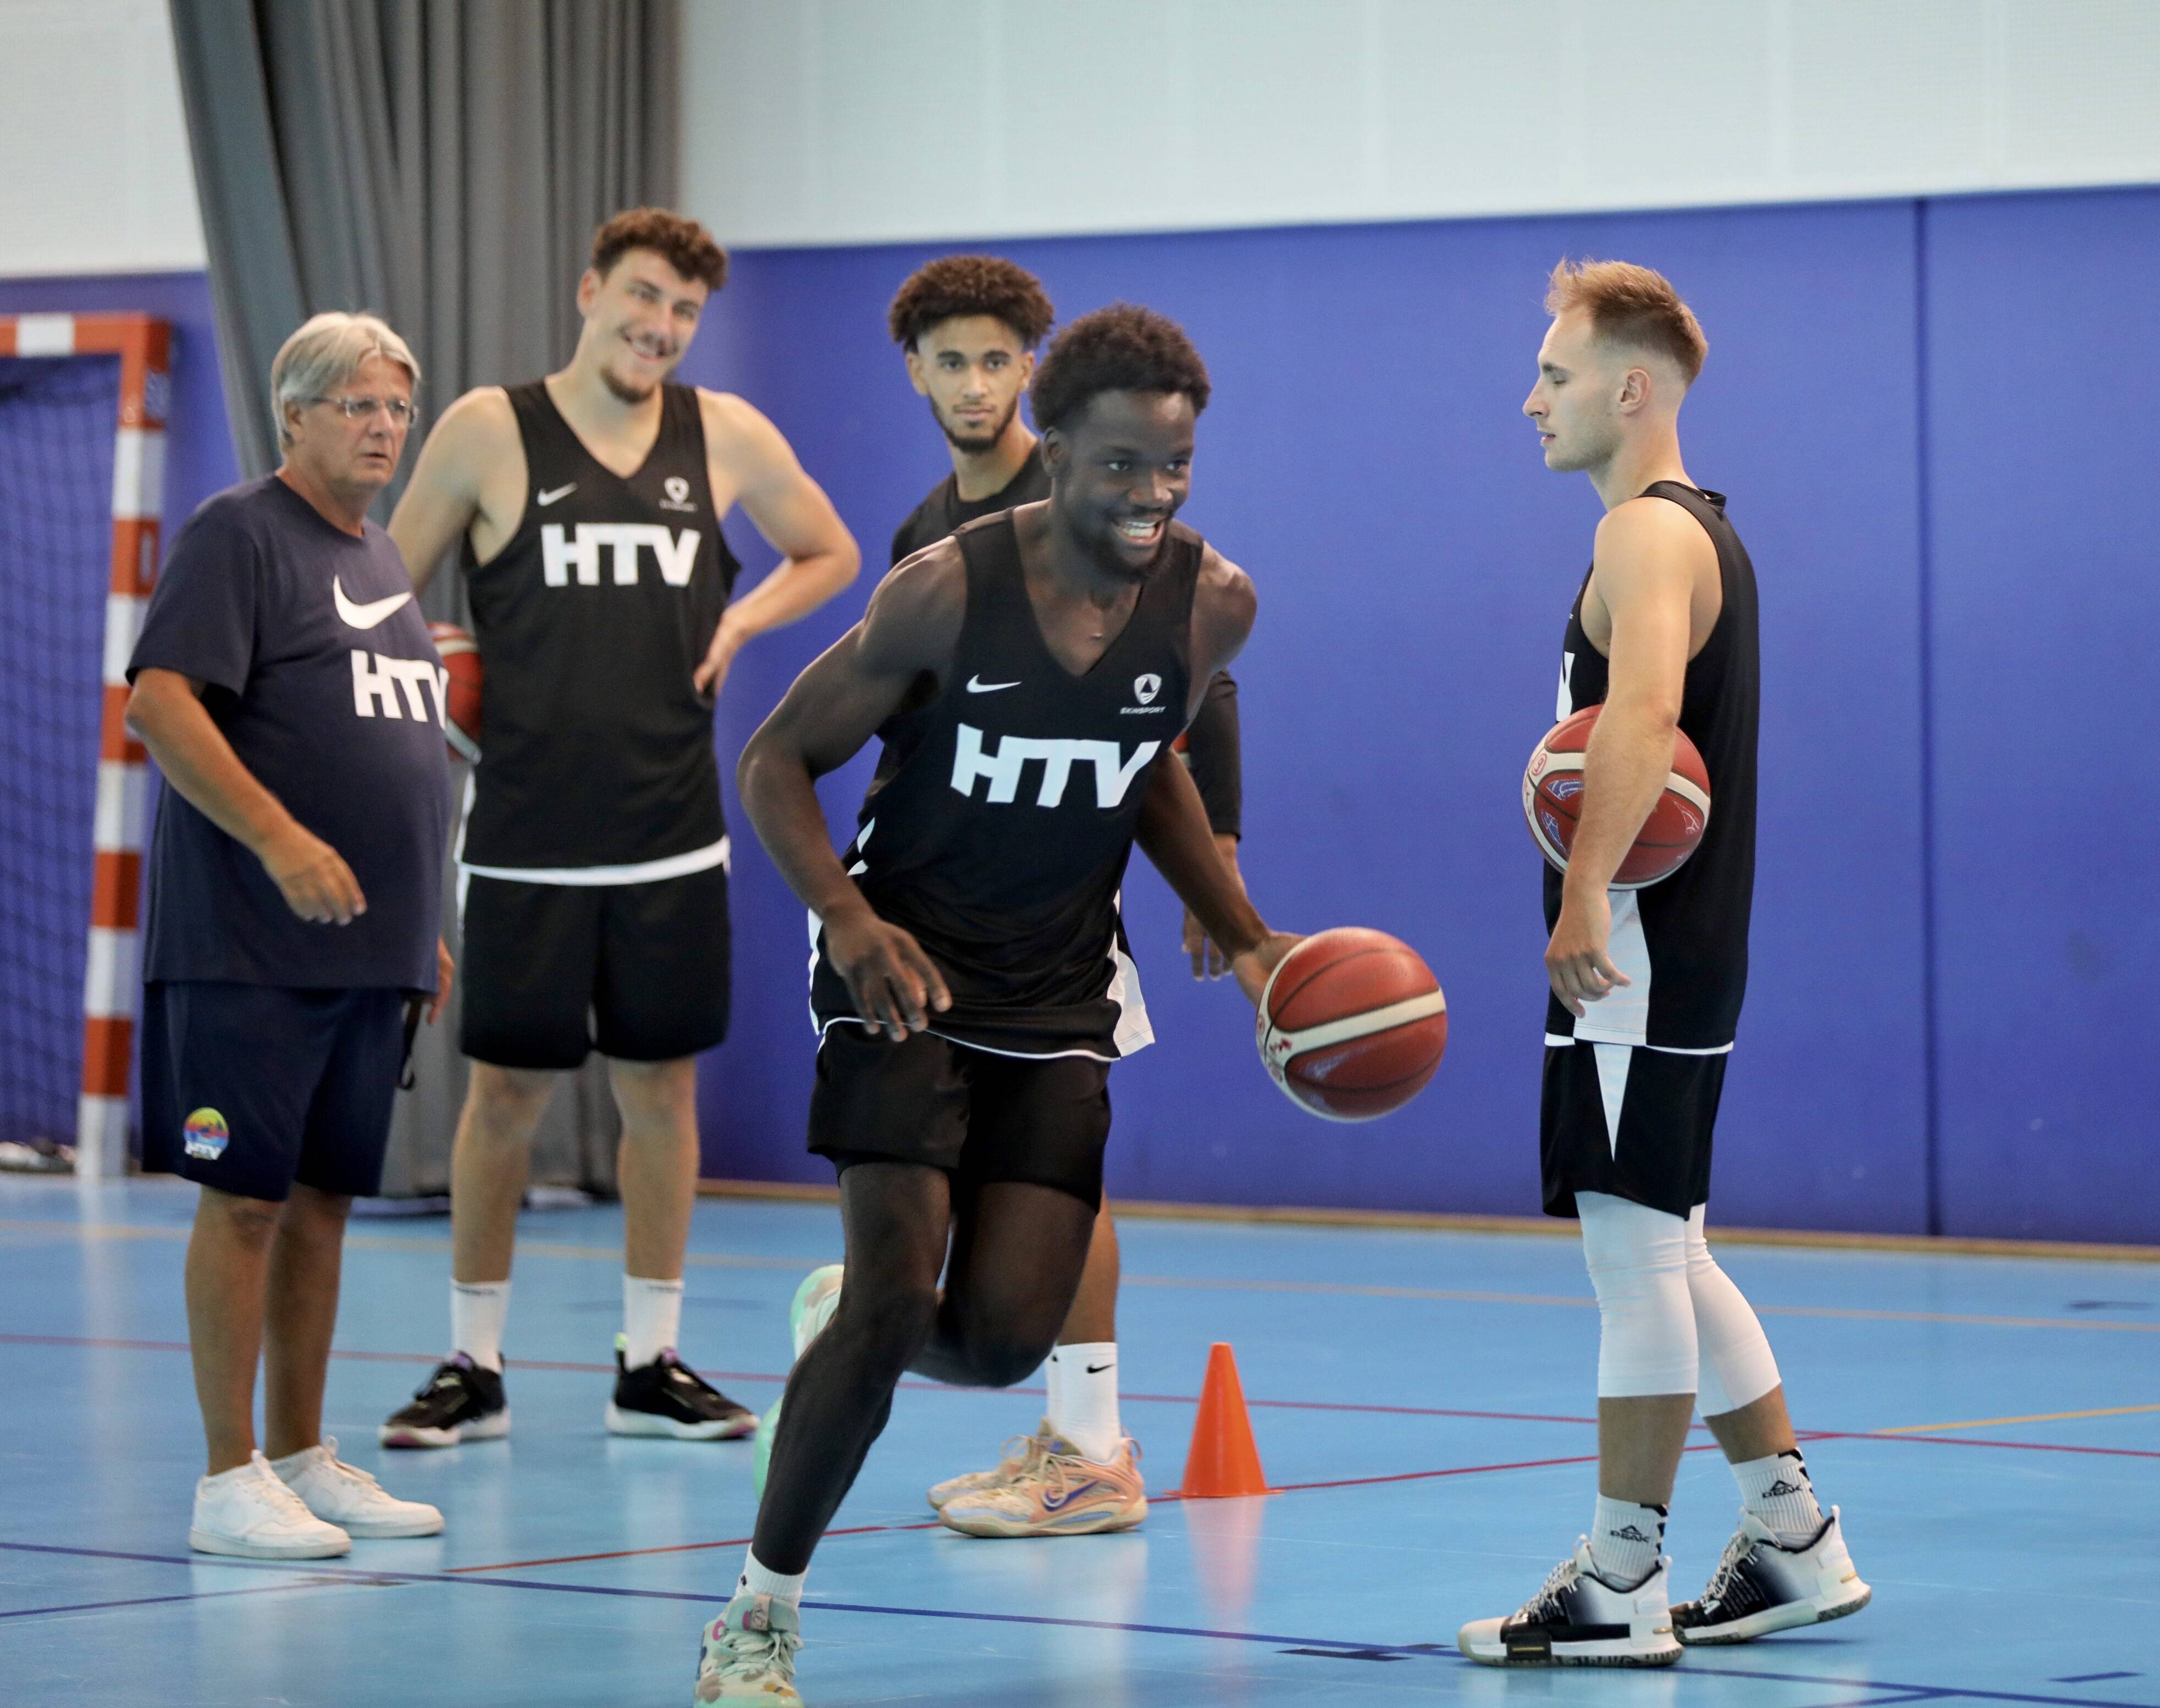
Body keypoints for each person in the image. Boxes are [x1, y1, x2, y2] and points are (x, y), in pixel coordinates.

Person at [692, 304, 1295, 1706]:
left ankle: (854, 1313)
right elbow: (779, 761)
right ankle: (757, 1620)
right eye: (1120, 468)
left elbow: (1152, 762)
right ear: (1058, 448)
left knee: (1010, 1334)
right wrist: (845, 924)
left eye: (1176, 467)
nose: (1151, 496)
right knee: (904, 1284)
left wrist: (1243, 929)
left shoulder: (1215, 602)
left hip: (1058, 989)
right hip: (905, 964)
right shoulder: (945, 589)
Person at [379, 208, 858, 1447]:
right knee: (506, 1098)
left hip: (672, 833)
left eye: (685, 311)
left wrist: (745, 623)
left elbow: (830, 551)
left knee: (660, 1089)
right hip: (525, 831)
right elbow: (376, 596)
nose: (660, 326)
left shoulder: (726, 435)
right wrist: (427, 678)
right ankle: (472, 1367)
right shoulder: (489, 431)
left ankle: (651, 1363)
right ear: (590, 289)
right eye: (642, 297)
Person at [1456, 261, 1868, 1670]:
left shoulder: (1644, 533)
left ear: (1629, 390)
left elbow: (1639, 717)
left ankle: (1621, 1578)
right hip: (1677, 954)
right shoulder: (1703, 531)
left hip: (1636, 947)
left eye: (1554, 374)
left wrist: (1579, 898)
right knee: (1675, 1248)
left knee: (1631, 1256)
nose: (1532, 399)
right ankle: (1796, 1542)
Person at [129, 312, 453, 1558]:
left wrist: (418, 926)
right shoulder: (238, 536)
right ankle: (227, 1477)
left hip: (366, 956)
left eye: (396, 410)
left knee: (323, 1205)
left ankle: (306, 1455)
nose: (383, 429)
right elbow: (163, 705)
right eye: (359, 406)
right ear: (295, 415)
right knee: (247, 1203)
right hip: (247, 953)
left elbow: (395, 755)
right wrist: (276, 840)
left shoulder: (375, 559)